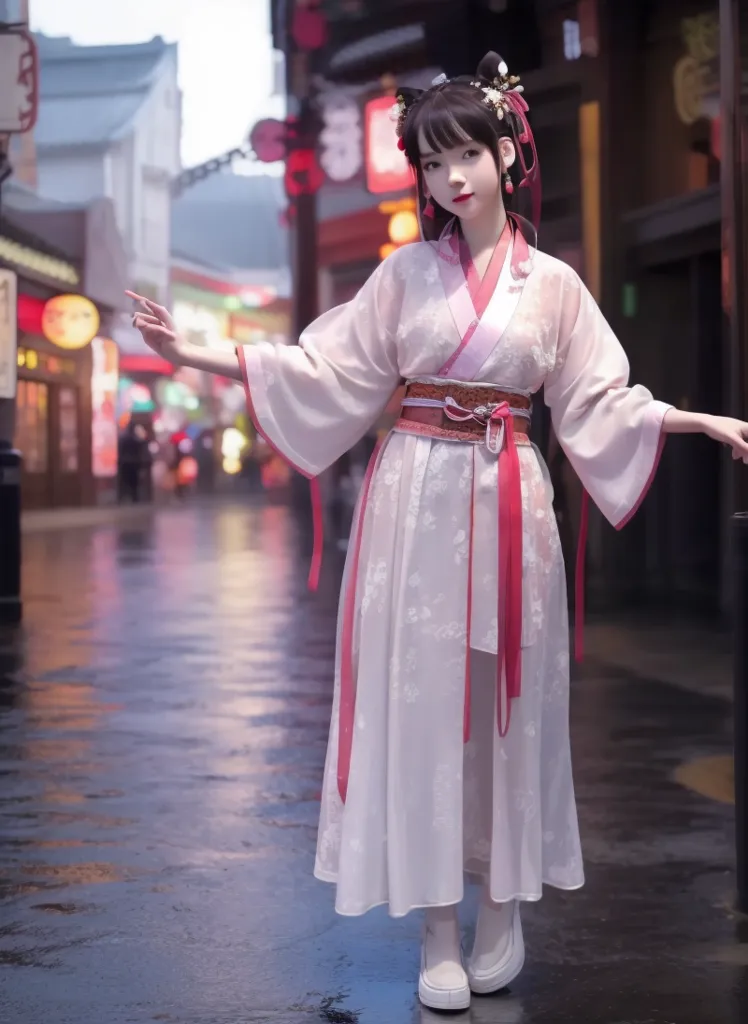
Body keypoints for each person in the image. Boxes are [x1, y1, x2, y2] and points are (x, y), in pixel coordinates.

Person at [127, 52, 748, 1012]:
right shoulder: (403, 278)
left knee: (510, 700)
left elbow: (601, 396)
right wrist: (195, 351)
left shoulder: (554, 286)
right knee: (421, 705)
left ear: (509, 154)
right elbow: (319, 369)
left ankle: (503, 906)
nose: (451, 176)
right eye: (433, 160)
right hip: (413, 499)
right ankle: (438, 927)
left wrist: (695, 419)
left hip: (509, 492)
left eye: (467, 153)